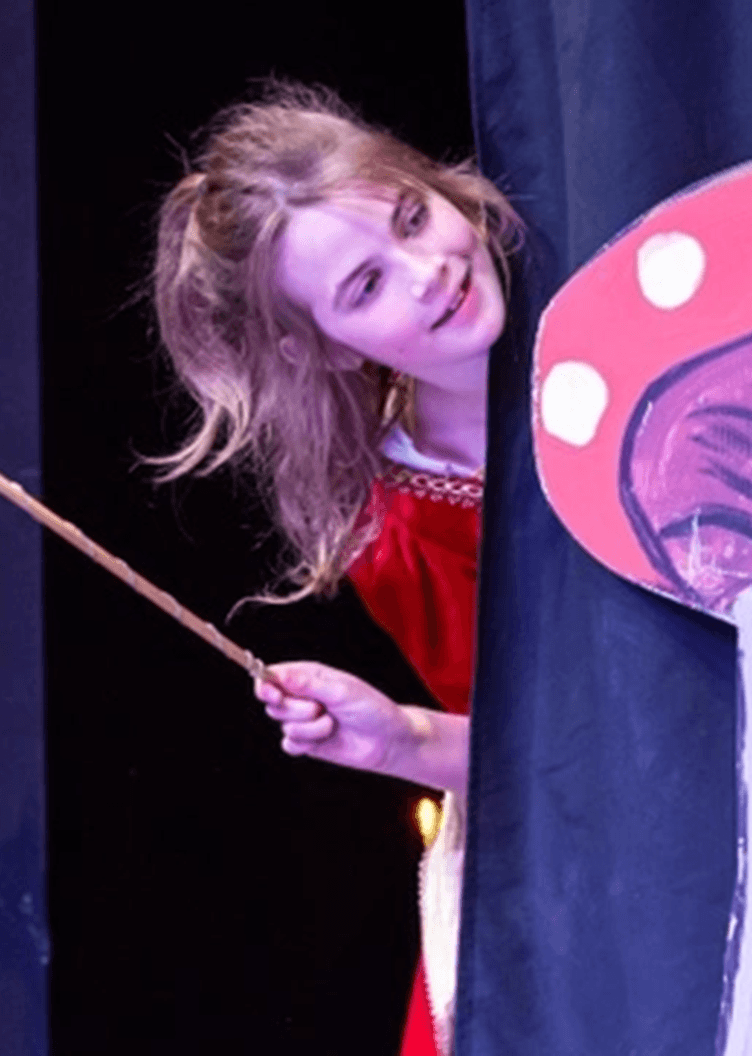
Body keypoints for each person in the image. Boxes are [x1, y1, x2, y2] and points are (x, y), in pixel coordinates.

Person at [151, 80, 522, 1056]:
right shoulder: (401, 532)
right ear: (322, 348)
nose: (428, 272)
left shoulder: (626, 303)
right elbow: (548, 755)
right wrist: (401, 737)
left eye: (412, 218)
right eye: (365, 287)